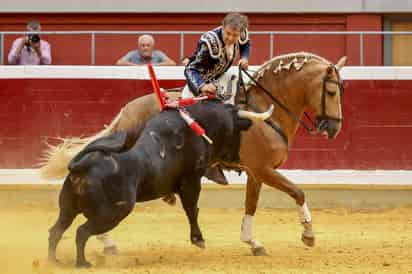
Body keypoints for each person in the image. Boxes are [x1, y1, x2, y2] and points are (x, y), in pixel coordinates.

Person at [183, 12, 250, 100]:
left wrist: (244, 57)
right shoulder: (210, 42)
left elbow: (245, 44)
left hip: (220, 79)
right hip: (202, 83)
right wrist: (202, 86)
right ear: (223, 27)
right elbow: (190, 69)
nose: (230, 38)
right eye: (228, 33)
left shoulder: (241, 32)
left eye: (235, 35)